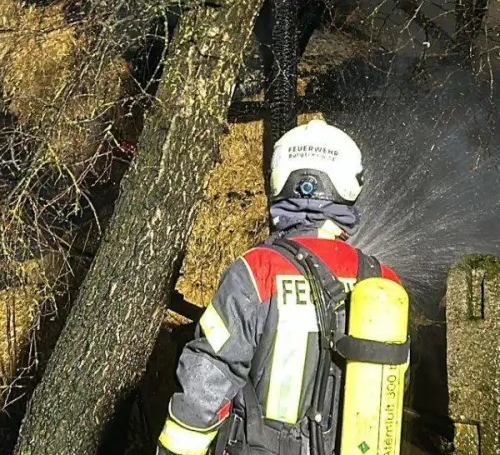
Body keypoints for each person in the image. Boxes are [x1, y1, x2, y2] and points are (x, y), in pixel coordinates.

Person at [157, 119, 404, 455]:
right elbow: (392, 390)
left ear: (279, 180)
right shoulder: (384, 282)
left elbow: (210, 373)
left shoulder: (258, 270)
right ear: (351, 185)